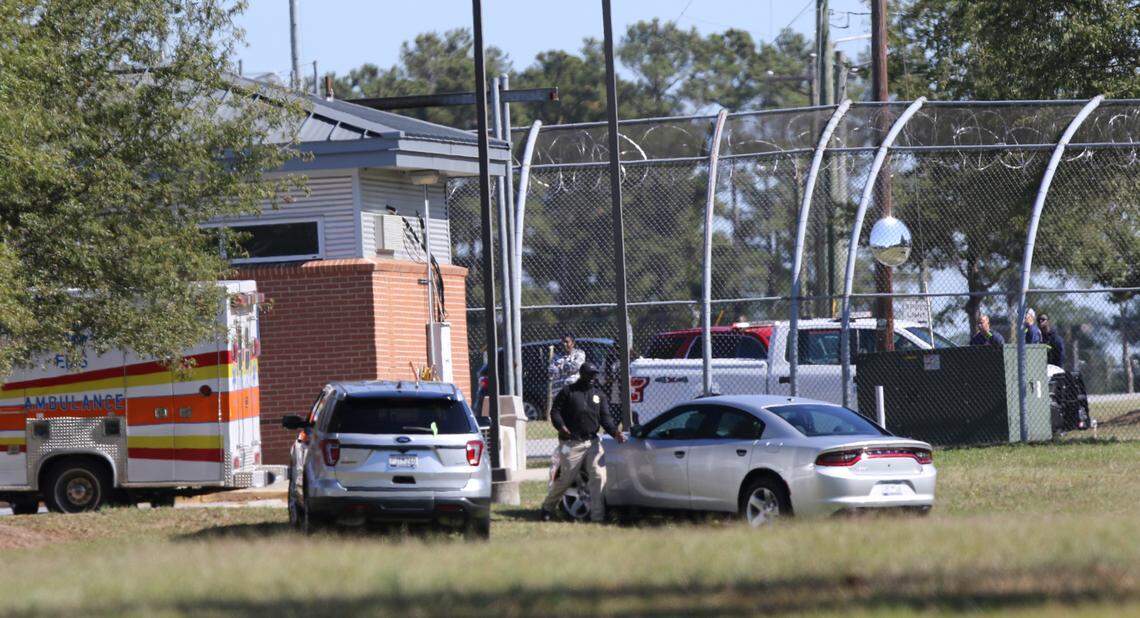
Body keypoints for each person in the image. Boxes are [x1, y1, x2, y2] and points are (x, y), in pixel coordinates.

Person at [540, 362, 625, 522]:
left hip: (592, 442)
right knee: (566, 478)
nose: (593, 378)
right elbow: (555, 412)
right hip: (572, 443)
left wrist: (615, 432)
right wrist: (561, 426)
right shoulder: (568, 392)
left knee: (598, 476)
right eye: (590, 375)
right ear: (582, 374)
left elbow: (605, 418)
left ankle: (597, 517)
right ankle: (547, 507)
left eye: (595, 375)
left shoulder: (599, 396)